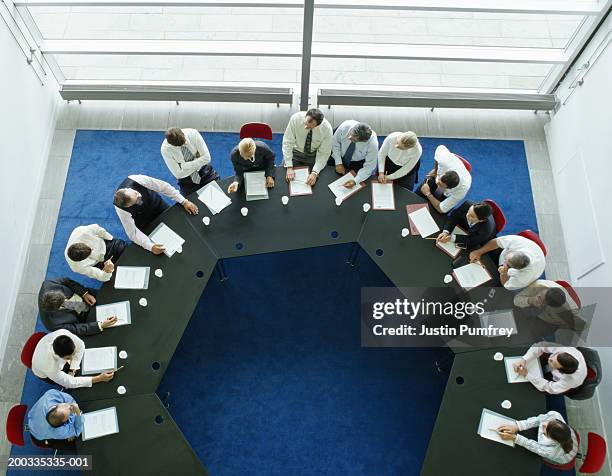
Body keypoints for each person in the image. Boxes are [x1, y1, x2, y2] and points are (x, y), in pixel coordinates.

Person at [114, 174, 199, 254]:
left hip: (158, 206)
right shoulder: (121, 209)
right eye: (136, 201)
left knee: (181, 226)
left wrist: (184, 201)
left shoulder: (136, 179)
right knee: (167, 247)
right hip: (144, 222)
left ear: (128, 189)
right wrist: (150, 247)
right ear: (128, 206)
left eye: (136, 193)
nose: (140, 197)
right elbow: (132, 233)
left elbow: (164, 187)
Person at [31, 329, 115, 389]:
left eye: (73, 353)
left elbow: (81, 345)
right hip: (42, 371)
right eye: (68, 358)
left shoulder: (63, 333)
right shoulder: (50, 368)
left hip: (42, 348)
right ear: (60, 356)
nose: (72, 358)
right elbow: (71, 383)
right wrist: (99, 378)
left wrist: (73, 367)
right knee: (65, 385)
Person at [38, 277, 117, 336]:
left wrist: (84, 294)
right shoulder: (52, 324)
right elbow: (76, 329)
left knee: (113, 296)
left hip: (86, 296)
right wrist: (100, 325)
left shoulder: (48, 284)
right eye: (63, 304)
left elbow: (68, 282)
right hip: (86, 318)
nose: (67, 301)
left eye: (65, 299)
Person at [497, 411, 578, 465]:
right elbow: (538, 420)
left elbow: (532, 446)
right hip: (568, 440)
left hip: (563, 458)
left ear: (552, 439)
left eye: (545, 431)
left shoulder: (549, 451)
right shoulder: (554, 415)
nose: (543, 424)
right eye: (548, 423)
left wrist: (514, 438)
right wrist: (517, 426)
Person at [469, 235, 546, 290]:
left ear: (515, 269)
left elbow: (506, 285)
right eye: (506, 258)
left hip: (507, 275)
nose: (504, 261)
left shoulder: (525, 277)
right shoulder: (519, 243)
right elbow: (497, 242)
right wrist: (479, 252)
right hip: (508, 255)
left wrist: (503, 273)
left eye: (507, 262)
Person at [161, 127, 220, 196]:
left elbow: (207, 158)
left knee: (220, 201)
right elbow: (178, 174)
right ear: (171, 144)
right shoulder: (165, 149)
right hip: (187, 183)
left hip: (205, 173)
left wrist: (184, 166)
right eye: (178, 146)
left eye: (184, 143)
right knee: (191, 205)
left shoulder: (193, 134)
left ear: (183, 134)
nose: (182, 145)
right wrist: (198, 160)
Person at [282, 108, 333, 187]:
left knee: (314, 184)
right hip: (295, 152)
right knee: (284, 180)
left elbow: (324, 153)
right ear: (305, 115)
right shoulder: (295, 119)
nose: (305, 127)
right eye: (305, 124)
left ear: (318, 125)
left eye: (309, 127)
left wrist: (315, 173)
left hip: (313, 156)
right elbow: (288, 142)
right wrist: (289, 166)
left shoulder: (327, 129)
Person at [513, 342, 587, 394]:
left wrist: (527, 374)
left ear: (560, 371)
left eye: (552, 363)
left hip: (561, 384)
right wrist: (524, 359)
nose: (550, 360)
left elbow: (550, 388)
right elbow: (541, 346)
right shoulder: (563, 350)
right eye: (552, 358)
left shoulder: (570, 380)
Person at [417, 145, 471, 214]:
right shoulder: (445, 160)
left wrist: (428, 194)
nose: (437, 183)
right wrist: (435, 171)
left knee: (435, 213)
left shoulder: (461, 191)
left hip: (446, 196)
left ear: (449, 188)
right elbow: (440, 148)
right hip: (442, 174)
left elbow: (441, 209)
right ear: (445, 173)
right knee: (418, 194)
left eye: (440, 184)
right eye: (439, 180)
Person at [514, 280, 586, 332]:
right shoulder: (538, 284)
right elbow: (516, 300)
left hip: (549, 320)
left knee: (532, 332)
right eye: (541, 296)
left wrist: (561, 324)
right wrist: (530, 300)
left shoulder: (571, 310)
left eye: (542, 300)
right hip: (533, 306)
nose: (539, 297)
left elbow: (582, 326)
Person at [329, 121, 378, 189]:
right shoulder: (345, 126)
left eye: (353, 139)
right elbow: (335, 144)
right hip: (337, 153)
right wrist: (338, 162)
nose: (349, 137)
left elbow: (369, 166)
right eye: (351, 134)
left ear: (363, 141)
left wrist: (355, 181)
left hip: (356, 162)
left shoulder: (372, 144)